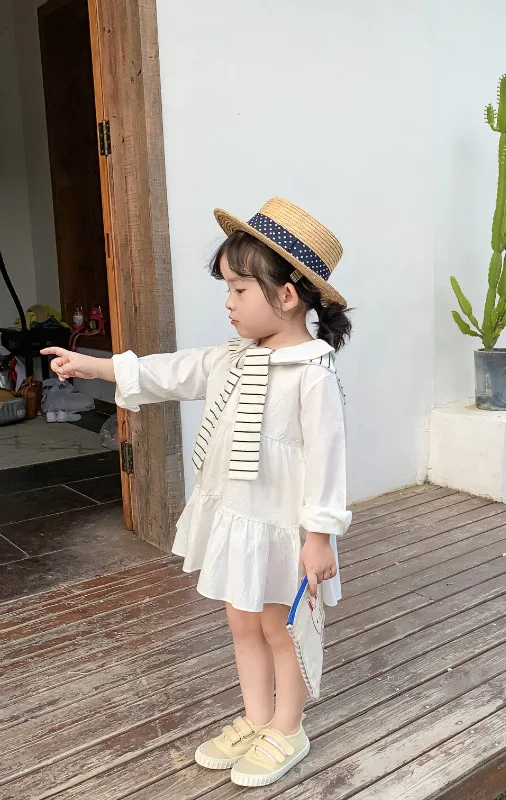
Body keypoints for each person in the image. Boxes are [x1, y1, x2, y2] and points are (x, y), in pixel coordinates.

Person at [43, 198, 351, 788]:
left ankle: (287, 728)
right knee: (242, 624)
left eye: (239, 289)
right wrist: (92, 367)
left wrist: (319, 537)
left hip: (281, 530)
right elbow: (170, 371)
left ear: (287, 295)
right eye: (227, 288)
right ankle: (256, 718)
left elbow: (327, 463)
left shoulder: (313, 376)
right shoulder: (231, 359)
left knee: (279, 628)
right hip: (238, 519)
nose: (228, 302)